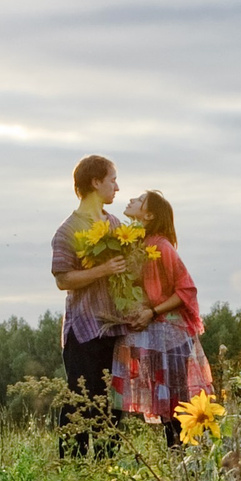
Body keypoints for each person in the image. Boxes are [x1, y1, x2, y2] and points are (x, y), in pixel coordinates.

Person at [50, 155, 148, 455]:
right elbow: (63, 279)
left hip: (114, 328)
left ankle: (107, 465)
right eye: (112, 180)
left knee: (111, 403)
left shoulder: (115, 224)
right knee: (80, 401)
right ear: (95, 182)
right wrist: (102, 271)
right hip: (84, 330)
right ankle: (73, 466)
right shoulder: (67, 230)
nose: (117, 187)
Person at [112, 189, 215, 446]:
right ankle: (179, 457)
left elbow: (186, 290)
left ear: (148, 215)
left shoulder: (161, 246)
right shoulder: (137, 244)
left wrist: (153, 311)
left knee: (176, 403)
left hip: (171, 336)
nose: (131, 200)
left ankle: (185, 456)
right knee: (165, 401)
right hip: (153, 334)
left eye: (139, 200)